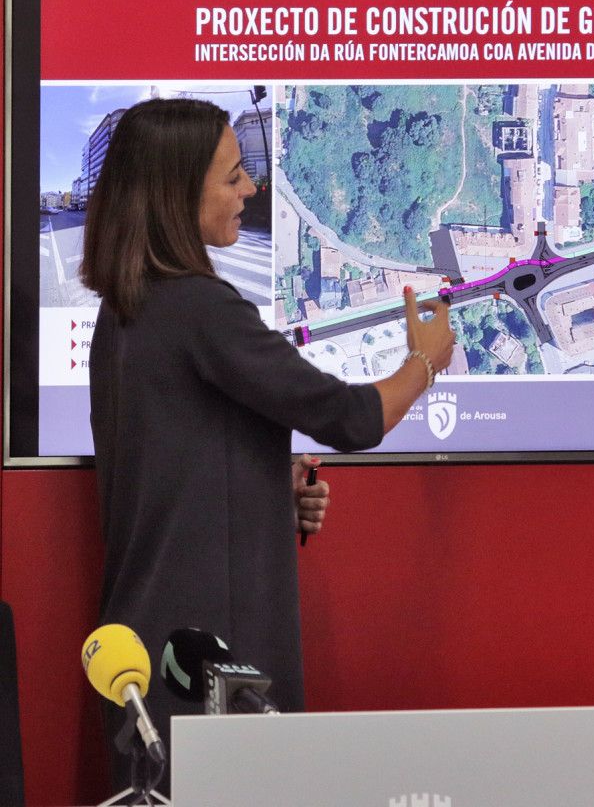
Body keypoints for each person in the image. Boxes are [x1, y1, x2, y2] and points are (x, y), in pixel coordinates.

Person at [79, 97, 455, 789]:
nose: (250, 190)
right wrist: (425, 363)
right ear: (175, 195)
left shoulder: (127, 310)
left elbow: (170, 468)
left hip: (153, 648)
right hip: (207, 661)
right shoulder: (198, 307)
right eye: (232, 178)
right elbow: (350, 418)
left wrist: (267, 490)